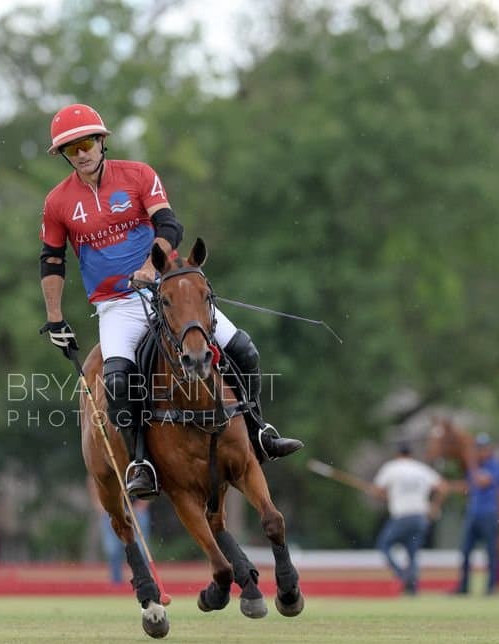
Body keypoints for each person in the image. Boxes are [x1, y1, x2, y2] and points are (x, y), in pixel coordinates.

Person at [36, 103, 303, 500]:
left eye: (88, 143)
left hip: (167, 291)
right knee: (118, 380)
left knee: (243, 350)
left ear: (102, 142)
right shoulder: (58, 202)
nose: (82, 154)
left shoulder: (139, 175)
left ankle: (259, 431)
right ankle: (141, 461)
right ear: (64, 156)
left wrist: (148, 266)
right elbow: (52, 260)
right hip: (115, 304)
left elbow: (169, 224)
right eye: (72, 149)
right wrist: (55, 319)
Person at [368, 441, 447, 595]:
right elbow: (443, 487)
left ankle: (402, 575)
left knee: (384, 545)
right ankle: (412, 587)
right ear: (411, 454)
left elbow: (377, 491)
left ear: (397, 454)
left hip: (402, 515)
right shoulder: (421, 468)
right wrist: (435, 507)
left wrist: (377, 493)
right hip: (420, 517)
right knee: (412, 552)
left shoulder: (391, 467)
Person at [451, 432, 499, 595]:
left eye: (483, 448)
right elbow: (468, 487)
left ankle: (490, 588)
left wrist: (471, 462)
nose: (480, 451)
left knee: (490, 552)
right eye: (478, 448)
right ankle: (463, 587)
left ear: (489, 449)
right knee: (465, 551)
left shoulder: (496, 466)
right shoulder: (475, 467)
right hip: (473, 513)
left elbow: (482, 482)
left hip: (489, 514)